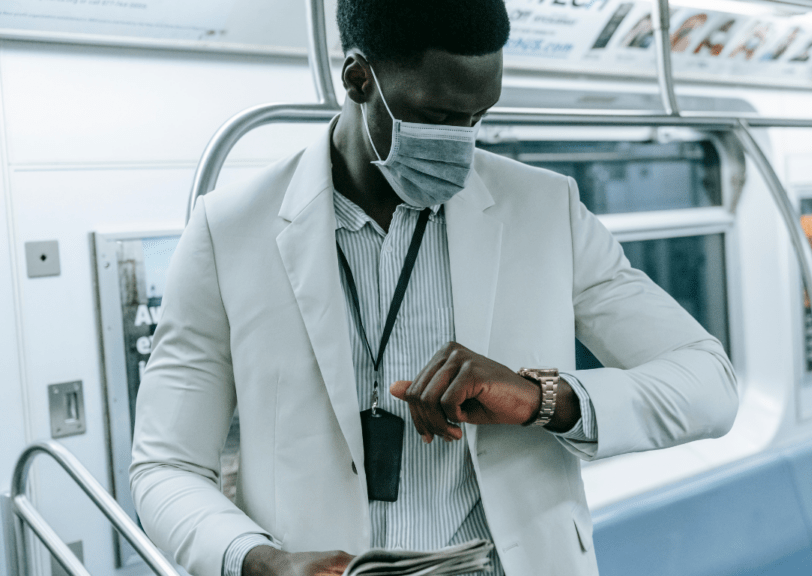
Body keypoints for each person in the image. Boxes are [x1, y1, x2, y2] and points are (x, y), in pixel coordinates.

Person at [129, 1, 739, 575]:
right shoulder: (229, 231)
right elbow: (165, 466)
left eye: (479, 118)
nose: (462, 144)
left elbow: (709, 384)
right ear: (358, 79)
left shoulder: (545, 211)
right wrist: (256, 560)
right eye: (439, 117)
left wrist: (542, 397)